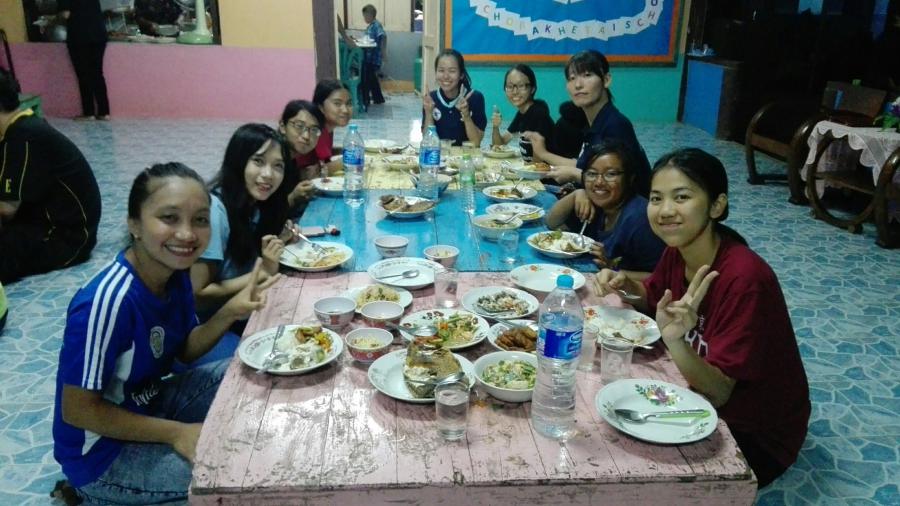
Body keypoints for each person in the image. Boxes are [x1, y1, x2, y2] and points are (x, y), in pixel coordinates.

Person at [52, 162, 279, 504]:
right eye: (169, 218)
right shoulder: (107, 302)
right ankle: (98, 495)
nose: (187, 234)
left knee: (260, 373)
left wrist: (230, 310)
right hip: (101, 455)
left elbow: (183, 351)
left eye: (200, 220)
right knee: (243, 473)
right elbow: (78, 411)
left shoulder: (175, 275)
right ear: (134, 224)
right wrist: (178, 434)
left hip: (150, 404)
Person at [592, 148, 810, 488]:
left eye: (681, 197)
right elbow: (652, 294)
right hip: (696, 397)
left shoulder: (745, 279)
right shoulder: (680, 250)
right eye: (656, 198)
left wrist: (676, 340)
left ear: (717, 205)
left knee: (620, 471)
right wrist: (625, 285)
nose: (665, 210)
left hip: (754, 434)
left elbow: (720, 392)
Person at [190, 124, 295, 337]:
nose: (268, 174)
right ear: (238, 161)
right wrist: (263, 271)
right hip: (209, 326)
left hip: (245, 310)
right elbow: (198, 296)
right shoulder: (215, 211)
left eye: (278, 166)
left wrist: (280, 242)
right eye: (258, 161)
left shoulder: (255, 204)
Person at [0, 68, 102, 284]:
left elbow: (7, 209)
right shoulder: (21, 127)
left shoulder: (22, 136)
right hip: (46, 220)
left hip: (67, 237)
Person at [525, 50, 650, 195]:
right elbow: (584, 165)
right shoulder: (595, 122)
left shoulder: (615, 125)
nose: (578, 85)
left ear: (606, 80)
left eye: (587, 75)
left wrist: (574, 175)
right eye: (572, 78)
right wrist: (543, 153)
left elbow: (618, 182)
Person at [546, 142, 664, 276]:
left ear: (630, 178)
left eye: (610, 174)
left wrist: (611, 268)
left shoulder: (640, 218)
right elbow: (552, 222)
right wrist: (576, 194)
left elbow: (660, 278)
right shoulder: (598, 203)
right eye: (592, 174)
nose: (599, 182)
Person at [422, 49, 487, 146]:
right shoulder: (431, 99)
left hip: (466, 154)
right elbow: (428, 141)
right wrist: (429, 113)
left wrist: (466, 115)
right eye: (441, 70)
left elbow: (476, 142)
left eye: (452, 71)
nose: (446, 76)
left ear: (461, 75)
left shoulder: (475, 98)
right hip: (440, 154)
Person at [58, 0, 110, 120]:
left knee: (83, 74)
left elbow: (65, 14)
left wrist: (55, 17)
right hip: (99, 34)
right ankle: (104, 112)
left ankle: (89, 113)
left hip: (80, 35)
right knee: (97, 73)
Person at [490, 64, 554, 158]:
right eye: (510, 86)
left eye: (521, 86)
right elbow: (499, 145)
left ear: (532, 89)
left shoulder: (538, 114)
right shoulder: (522, 113)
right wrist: (495, 127)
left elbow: (539, 159)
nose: (515, 91)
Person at [278, 99, 326, 214]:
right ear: (283, 126)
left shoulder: (292, 160)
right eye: (299, 126)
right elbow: (260, 214)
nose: (306, 136)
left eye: (314, 130)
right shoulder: (274, 160)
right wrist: (293, 197)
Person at [338, 5, 387, 108]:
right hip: (369, 57)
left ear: (370, 15)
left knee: (366, 77)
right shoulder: (370, 26)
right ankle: (378, 98)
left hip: (373, 58)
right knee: (372, 78)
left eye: (365, 16)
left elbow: (383, 36)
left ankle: (366, 99)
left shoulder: (376, 25)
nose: (364, 18)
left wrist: (383, 53)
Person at [311, 80, 353, 173]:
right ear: (321, 107)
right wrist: (349, 159)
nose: (345, 110)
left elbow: (325, 156)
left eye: (349, 103)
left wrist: (346, 151)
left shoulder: (328, 127)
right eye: (337, 103)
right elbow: (313, 172)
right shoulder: (314, 130)